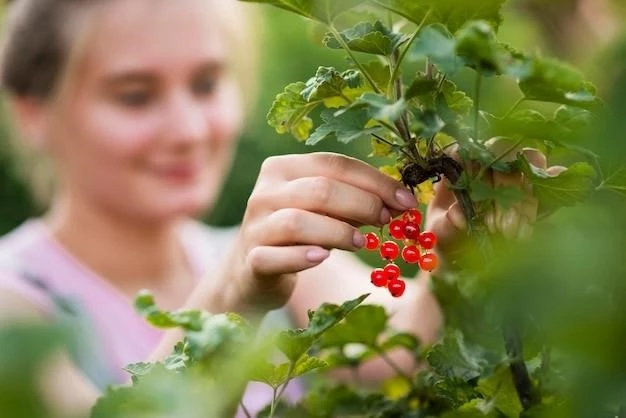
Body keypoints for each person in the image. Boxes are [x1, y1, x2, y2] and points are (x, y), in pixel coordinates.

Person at [0, 0, 554, 417]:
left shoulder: (280, 259)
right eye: (135, 95)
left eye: (207, 83)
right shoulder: (16, 305)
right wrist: (233, 296)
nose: (189, 130)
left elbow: (405, 353)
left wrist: (457, 255)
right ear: (33, 114)